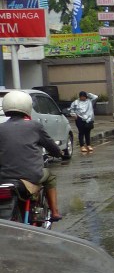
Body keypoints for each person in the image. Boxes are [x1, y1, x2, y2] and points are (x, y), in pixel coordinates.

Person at [0, 91, 63, 220]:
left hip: (4, 178)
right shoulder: (35, 126)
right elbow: (52, 147)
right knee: (50, 176)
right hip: (30, 176)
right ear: (27, 107)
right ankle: (55, 212)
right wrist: (58, 153)